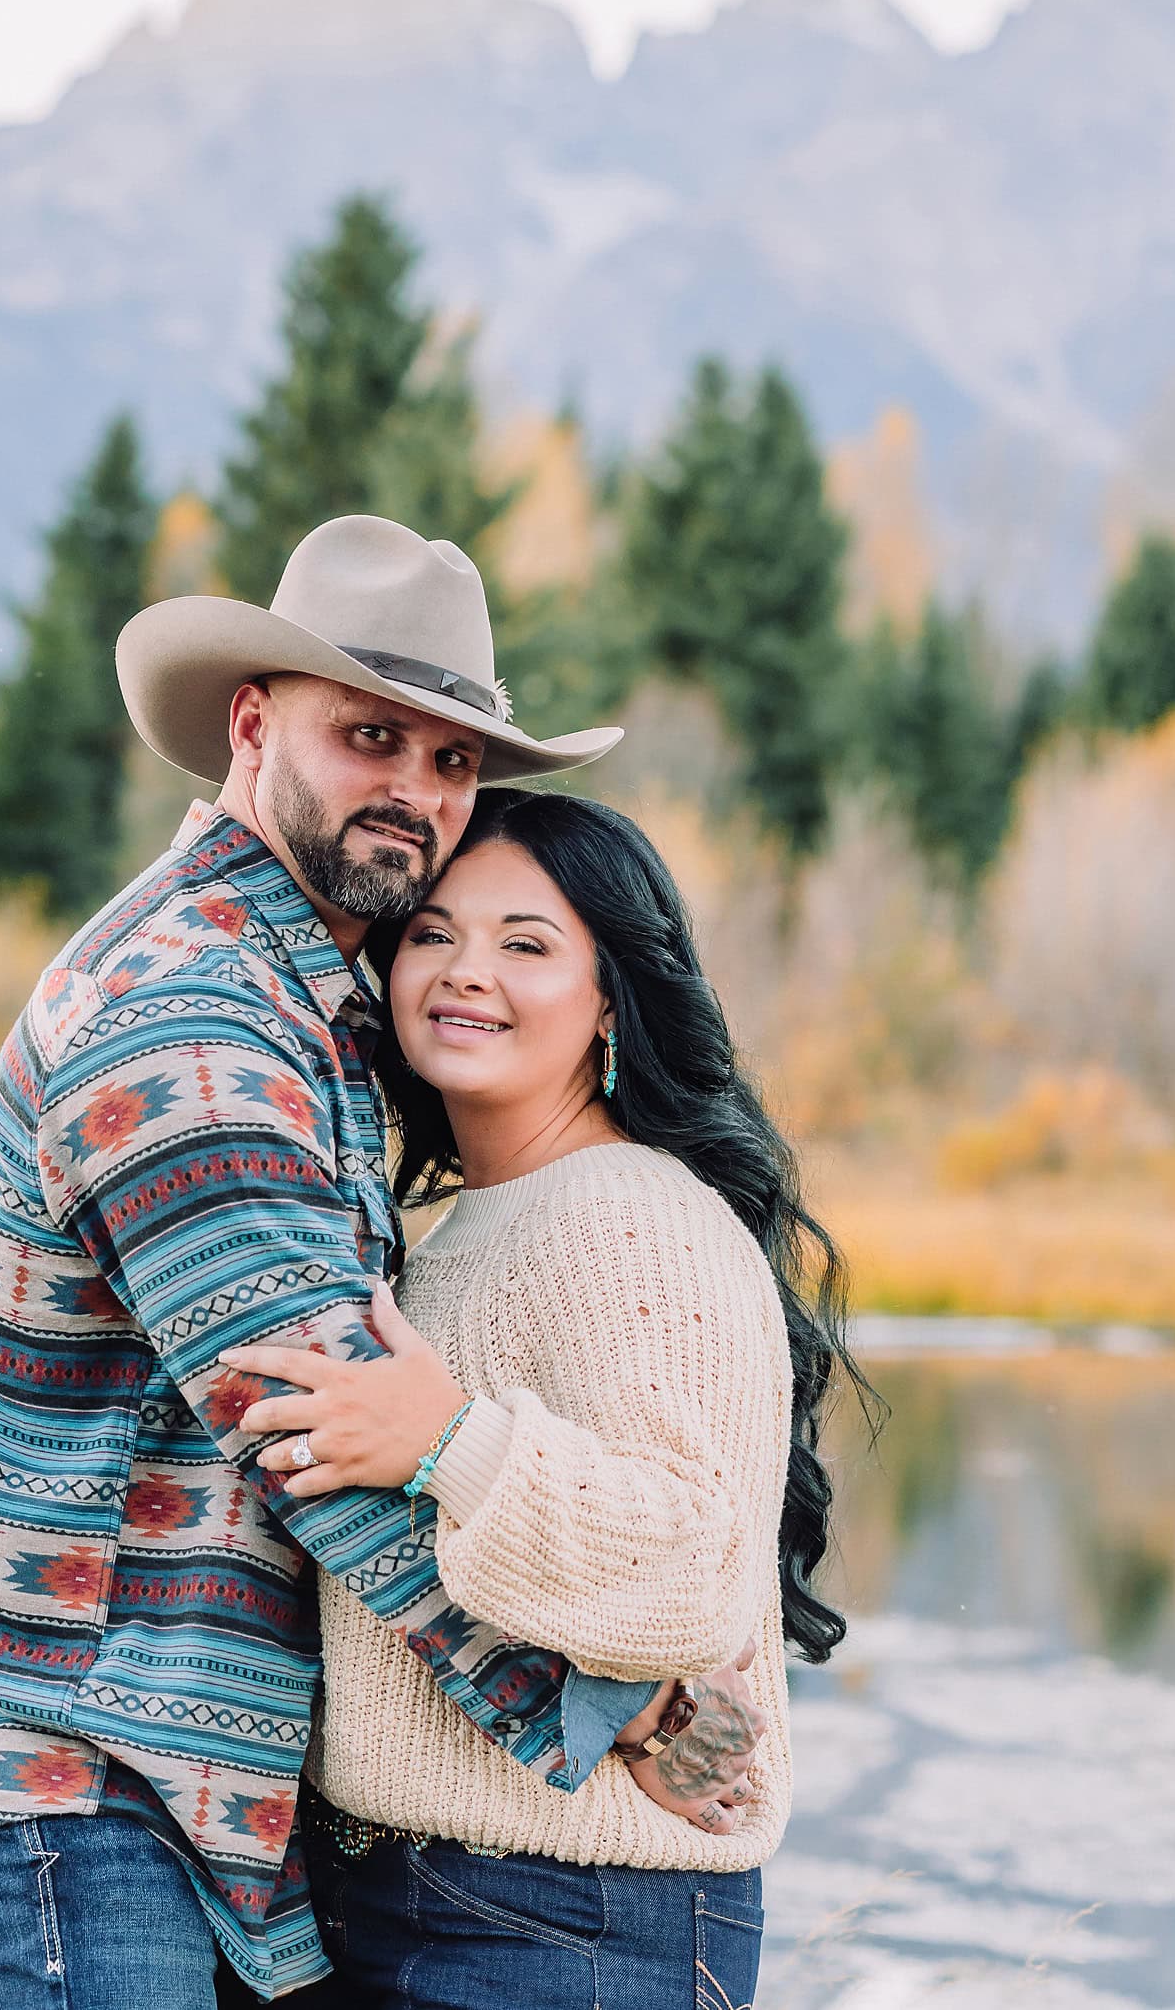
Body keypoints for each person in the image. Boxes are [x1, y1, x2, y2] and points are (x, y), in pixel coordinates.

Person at [0, 515, 756, 2010]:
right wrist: (626, 1700)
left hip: (167, 1769)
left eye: (455, 761)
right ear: (254, 725)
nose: (417, 791)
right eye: (373, 737)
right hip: (67, 1773)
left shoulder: (308, 1002)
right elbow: (317, 1433)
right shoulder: (195, 1023)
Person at [226, 785, 863, 2008]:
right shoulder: (441, 1228)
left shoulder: (634, 1218)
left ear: (610, 998)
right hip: (388, 1897)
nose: (468, 973)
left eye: (526, 944)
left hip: (565, 1925)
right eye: (433, 934)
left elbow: (693, 1571)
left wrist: (452, 1448)